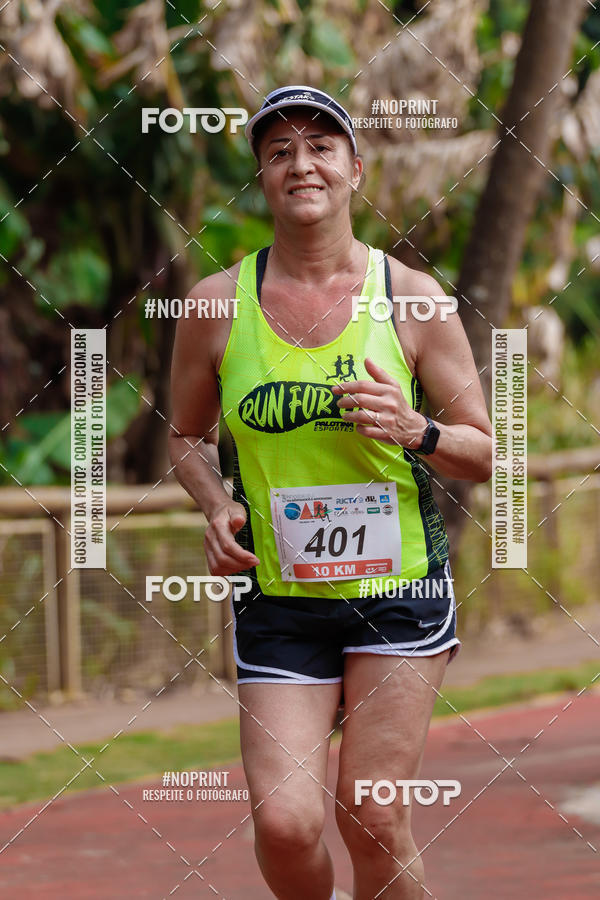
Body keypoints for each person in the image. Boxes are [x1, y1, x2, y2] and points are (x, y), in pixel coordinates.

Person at [169, 85, 492, 900]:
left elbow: (487, 453)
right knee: (285, 825)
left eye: (319, 146)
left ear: (354, 167)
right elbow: (184, 437)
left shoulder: (412, 297)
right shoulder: (215, 305)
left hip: (400, 592)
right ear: (263, 179)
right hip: (278, 597)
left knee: (373, 815)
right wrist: (216, 504)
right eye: (279, 151)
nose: (300, 163)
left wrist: (416, 429)